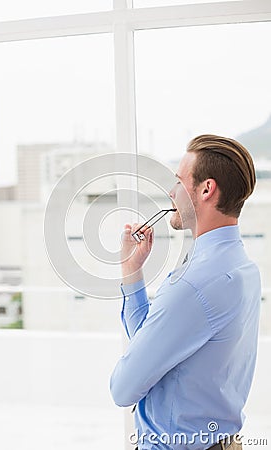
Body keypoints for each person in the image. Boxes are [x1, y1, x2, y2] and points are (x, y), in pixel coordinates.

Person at [110, 134, 261, 450]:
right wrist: (132, 272)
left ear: (206, 189)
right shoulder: (244, 269)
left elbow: (123, 389)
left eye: (179, 181)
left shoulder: (194, 284)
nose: (171, 192)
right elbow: (152, 346)